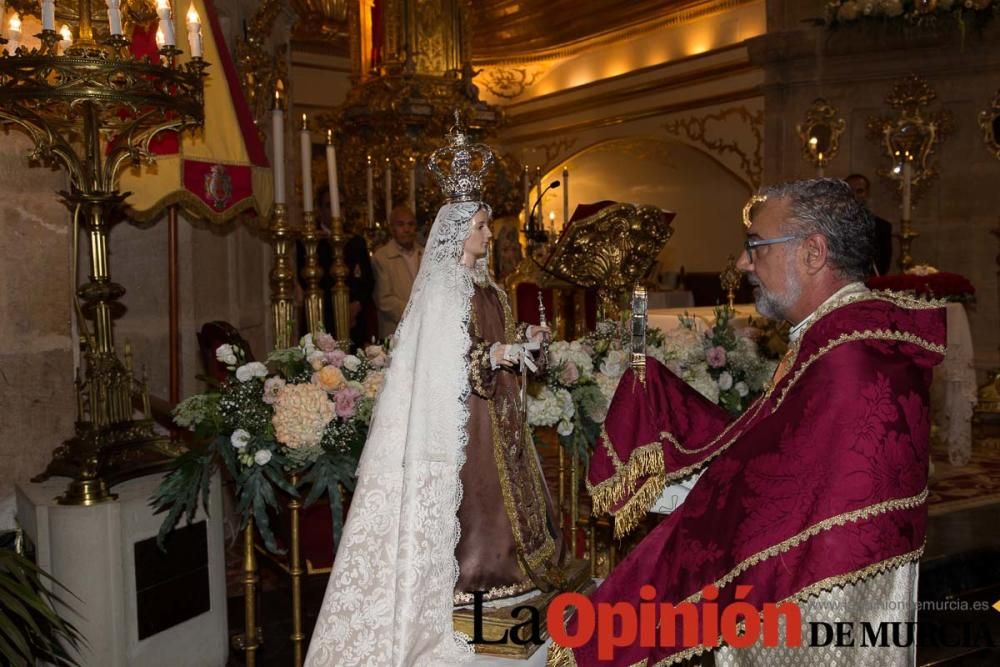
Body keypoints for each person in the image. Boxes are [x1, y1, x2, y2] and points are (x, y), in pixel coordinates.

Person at [548, 179, 945, 666]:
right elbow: (778, 459)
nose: (742, 263)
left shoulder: (846, 360)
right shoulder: (851, 339)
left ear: (814, 252)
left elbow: (764, 501)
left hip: (815, 613)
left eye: (756, 246)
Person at [306, 123, 562, 666]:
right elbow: (449, 359)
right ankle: (477, 578)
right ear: (457, 232)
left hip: (501, 410)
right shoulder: (444, 289)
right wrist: (495, 357)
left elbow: (497, 341)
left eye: (487, 226)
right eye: (479, 226)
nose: (487, 235)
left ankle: (516, 577)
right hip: (465, 415)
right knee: (478, 497)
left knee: (510, 489)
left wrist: (525, 345)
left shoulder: (488, 286)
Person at [296, 186, 375, 347]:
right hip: (321, 320)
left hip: (354, 322)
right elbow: (306, 280)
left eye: (341, 205)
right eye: (329, 205)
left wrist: (356, 305)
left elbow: (368, 280)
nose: (336, 211)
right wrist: (338, 312)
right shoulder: (309, 243)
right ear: (319, 209)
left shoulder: (356, 241)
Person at [372, 204, 423, 338]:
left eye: (411, 224)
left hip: (424, 329)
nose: (407, 229)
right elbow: (384, 300)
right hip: (396, 331)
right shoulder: (382, 257)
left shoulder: (425, 254)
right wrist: (415, 312)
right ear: (392, 228)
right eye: (401, 224)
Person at [846, 173, 893, 275]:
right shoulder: (832, 224)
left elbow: (883, 264)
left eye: (859, 191)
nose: (854, 195)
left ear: (867, 194)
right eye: (850, 191)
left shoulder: (882, 227)